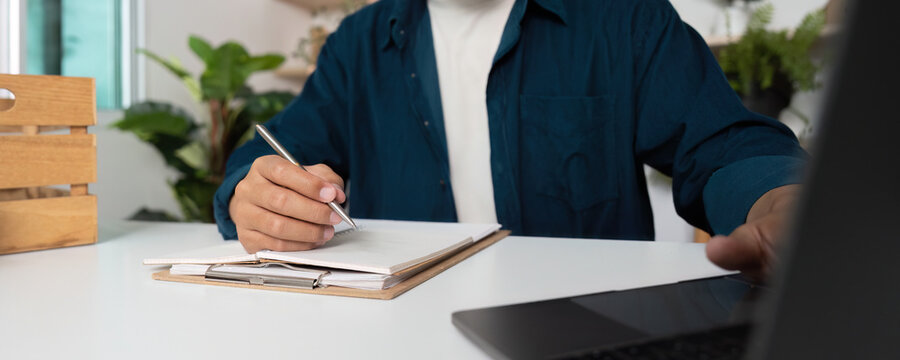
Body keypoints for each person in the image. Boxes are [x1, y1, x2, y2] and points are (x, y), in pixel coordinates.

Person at [214, 0, 807, 280]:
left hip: (582, 335)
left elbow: (724, 144)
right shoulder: (356, 45)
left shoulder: (625, 18)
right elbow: (275, 154)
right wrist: (254, 192)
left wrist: (778, 197)